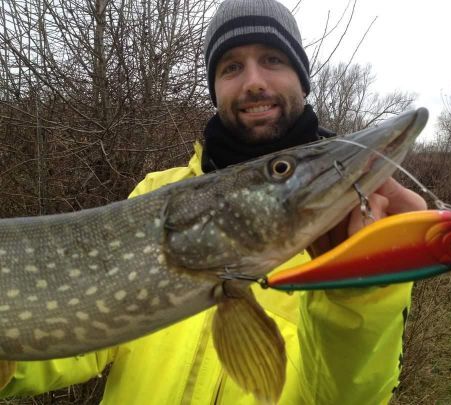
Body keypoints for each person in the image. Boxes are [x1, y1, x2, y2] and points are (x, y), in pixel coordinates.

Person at [0, 0, 426, 403]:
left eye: (273, 60)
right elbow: (79, 344)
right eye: (232, 66)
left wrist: (357, 294)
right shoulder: (154, 191)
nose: (254, 81)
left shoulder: (353, 235)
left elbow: (343, 397)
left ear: (302, 78)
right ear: (215, 87)